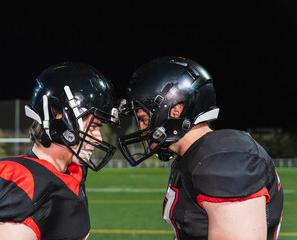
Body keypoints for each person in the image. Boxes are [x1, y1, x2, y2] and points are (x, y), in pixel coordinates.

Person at [118, 56, 283, 240]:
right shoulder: (193, 157)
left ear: (175, 111)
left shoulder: (223, 160)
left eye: (143, 119)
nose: (142, 130)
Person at [0, 62, 120, 240]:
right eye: (93, 126)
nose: (99, 137)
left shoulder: (73, 171)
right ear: (59, 116)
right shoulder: (21, 185)